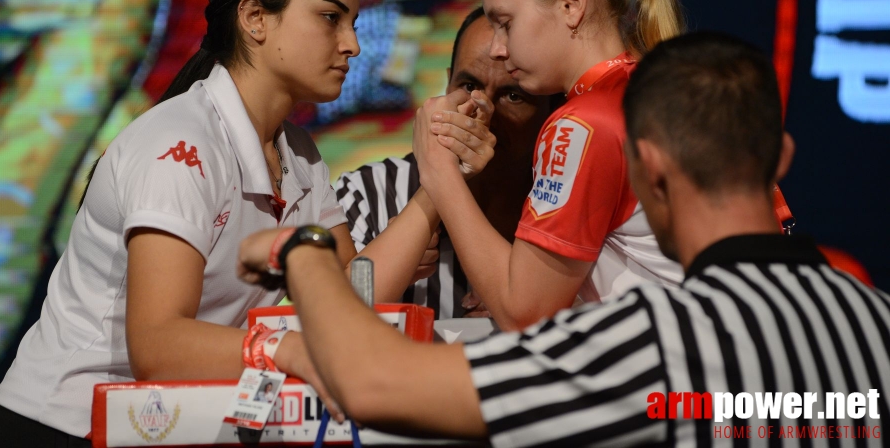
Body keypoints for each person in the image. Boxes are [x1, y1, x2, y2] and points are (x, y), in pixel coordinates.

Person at [237, 31, 890, 445]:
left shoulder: (655, 340)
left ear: (643, 171)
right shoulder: (876, 321)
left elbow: (375, 385)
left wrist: (305, 251)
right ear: (780, 158)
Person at [0, 0, 491, 445]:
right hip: (62, 425)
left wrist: (437, 183)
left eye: (353, 23)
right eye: (330, 17)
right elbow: (159, 346)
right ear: (254, 18)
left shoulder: (298, 152)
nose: (353, 44)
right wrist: (289, 351)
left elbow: (349, 300)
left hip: (163, 424)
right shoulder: (179, 145)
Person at [413, 0, 685, 330]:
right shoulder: (667, 87)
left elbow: (524, 313)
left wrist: (439, 174)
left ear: (570, 4)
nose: (499, 50)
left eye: (505, 23)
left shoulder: (580, 124)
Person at [336, 6, 553, 319]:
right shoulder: (368, 194)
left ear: (552, 110)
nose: (484, 112)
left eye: (513, 96)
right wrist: (438, 179)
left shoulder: (563, 201)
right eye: (468, 86)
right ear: (447, 83)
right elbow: (330, 318)